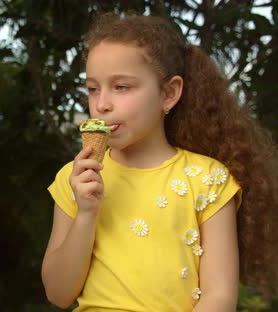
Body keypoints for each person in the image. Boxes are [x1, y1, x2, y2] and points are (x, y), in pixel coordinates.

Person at [42, 13, 278, 311]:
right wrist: (86, 214)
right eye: (93, 88)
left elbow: (219, 297)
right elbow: (58, 293)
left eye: (122, 87)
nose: (102, 103)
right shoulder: (75, 178)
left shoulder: (208, 180)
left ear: (169, 93)